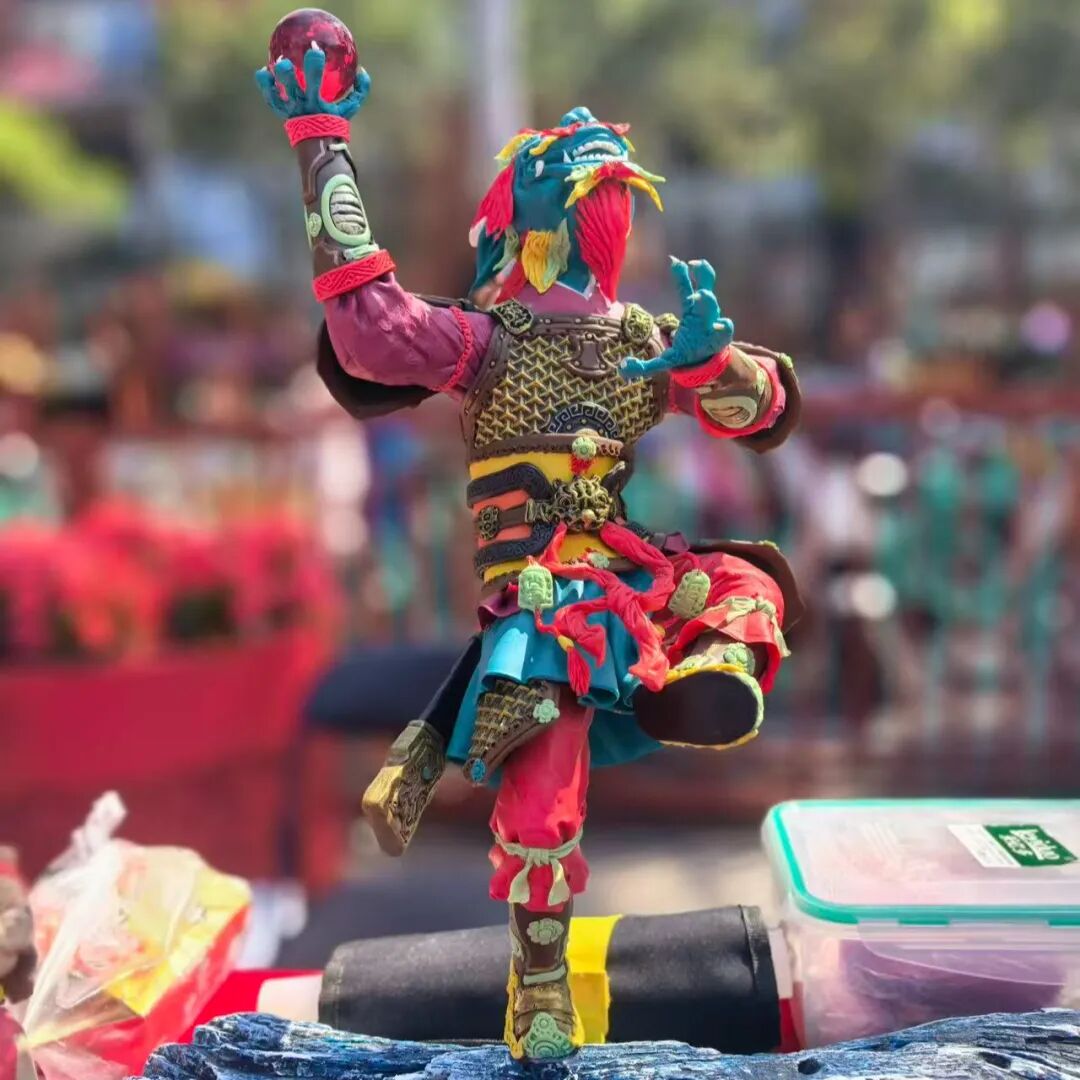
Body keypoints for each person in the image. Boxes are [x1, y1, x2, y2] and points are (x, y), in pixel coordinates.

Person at [258, 50, 802, 1063]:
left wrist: (716, 363)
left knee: (748, 582)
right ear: (520, 216)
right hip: (542, 597)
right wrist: (319, 140)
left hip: (634, 573)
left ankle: (708, 675)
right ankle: (540, 976)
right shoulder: (487, 340)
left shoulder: (642, 335)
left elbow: (763, 411)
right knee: (545, 784)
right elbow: (371, 331)